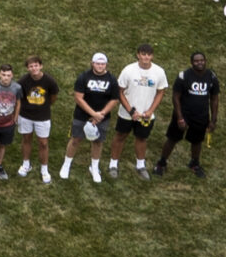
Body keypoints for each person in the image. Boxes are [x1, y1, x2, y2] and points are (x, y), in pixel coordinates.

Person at [151, 51, 220, 177]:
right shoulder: (184, 76)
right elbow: (176, 97)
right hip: (184, 114)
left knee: (197, 141)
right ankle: (161, 163)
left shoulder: (212, 77)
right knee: (172, 138)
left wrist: (213, 120)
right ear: (192, 63)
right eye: (196, 61)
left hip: (201, 116)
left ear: (205, 61)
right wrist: (180, 117)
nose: (200, 63)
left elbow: (214, 99)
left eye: (202, 60)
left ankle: (194, 163)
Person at [111, 45, 169, 179]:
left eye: (149, 55)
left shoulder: (159, 72)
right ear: (138, 55)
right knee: (120, 136)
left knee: (142, 138)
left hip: (146, 116)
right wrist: (131, 110)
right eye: (143, 54)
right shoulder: (128, 70)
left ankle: (140, 165)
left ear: (152, 56)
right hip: (126, 114)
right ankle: (113, 164)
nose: (146, 57)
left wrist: (150, 111)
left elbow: (161, 92)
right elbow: (119, 91)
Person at [63, 53, 119, 183]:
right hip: (82, 115)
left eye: (103, 64)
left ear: (106, 64)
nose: (100, 66)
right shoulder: (83, 77)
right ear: (92, 63)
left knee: (97, 142)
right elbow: (78, 98)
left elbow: (114, 99)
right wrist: (93, 114)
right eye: (98, 63)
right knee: (75, 140)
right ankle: (66, 164)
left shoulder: (112, 79)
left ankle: (94, 167)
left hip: (102, 117)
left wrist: (101, 114)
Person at [14, 56, 58, 183]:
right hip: (25, 115)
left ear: (41, 66)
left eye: (36, 65)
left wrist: (45, 106)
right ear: (28, 68)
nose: (34, 68)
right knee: (26, 139)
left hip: (43, 117)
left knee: (43, 143)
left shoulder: (49, 80)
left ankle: (44, 169)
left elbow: (53, 96)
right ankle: (26, 164)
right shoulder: (23, 81)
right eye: (31, 66)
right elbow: (19, 98)